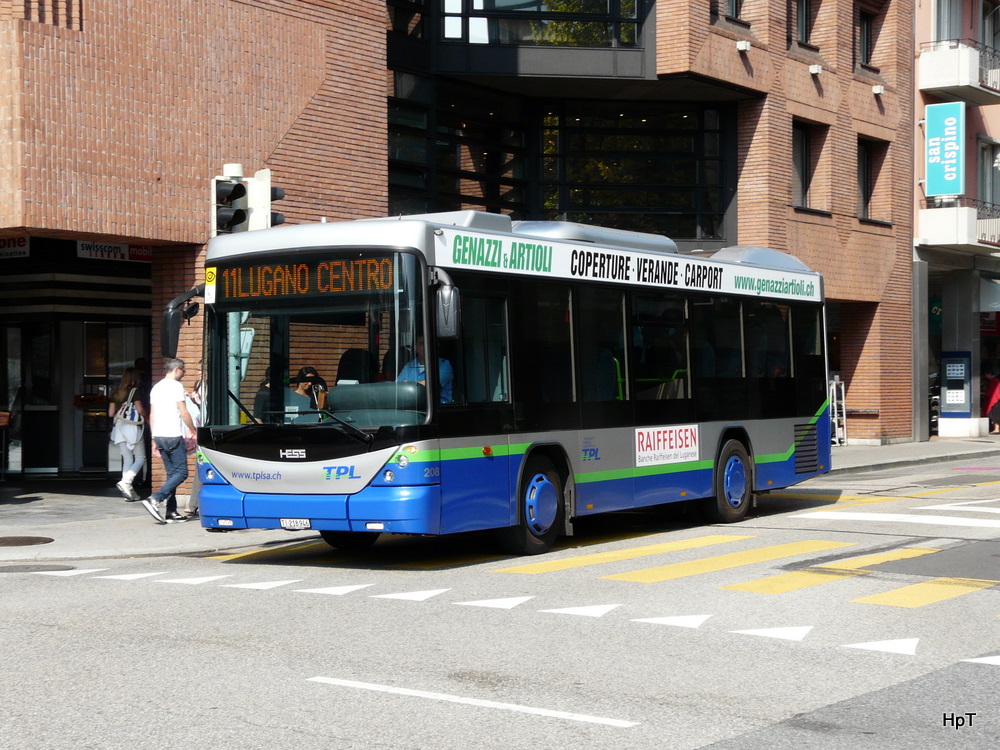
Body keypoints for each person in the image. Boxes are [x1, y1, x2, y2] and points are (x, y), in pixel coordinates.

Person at [140, 358, 198, 524]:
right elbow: (184, 412)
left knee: (172, 473)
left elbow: (152, 414)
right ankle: (155, 499)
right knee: (182, 472)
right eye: (184, 370)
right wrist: (194, 431)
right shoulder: (176, 386)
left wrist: (153, 439)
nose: (185, 373)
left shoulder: (156, 387)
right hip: (173, 434)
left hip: (159, 435)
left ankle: (171, 511)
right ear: (177, 369)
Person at [107, 367, 147, 502]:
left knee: (127, 459)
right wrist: (147, 417)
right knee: (140, 458)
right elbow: (140, 409)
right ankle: (126, 482)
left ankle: (128, 492)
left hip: (119, 428)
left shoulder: (115, 392)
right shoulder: (134, 391)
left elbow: (111, 413)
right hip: (133, 428)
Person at [396, 335, 453, 403]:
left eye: (428, 342)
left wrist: (408, 385)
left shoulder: (444, 366)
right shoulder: (409, 366)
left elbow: (430, 386)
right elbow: (396, 388)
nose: (425, 346)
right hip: (412, 408)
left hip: (437, 410)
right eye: (421, 343)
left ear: (436, 345)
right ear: (415, 347)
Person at [984, 368, 1000, 435]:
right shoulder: (996, 380)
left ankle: (996, 429)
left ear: (989, 374)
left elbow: (992, 392)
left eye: (986, 374)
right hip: (997, 399)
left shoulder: (994, 381)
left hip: (995, 400)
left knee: (994, 415)